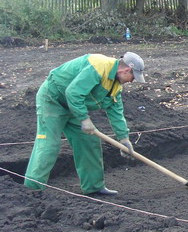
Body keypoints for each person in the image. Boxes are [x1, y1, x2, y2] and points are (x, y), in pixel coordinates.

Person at [24, 52, 146, 196]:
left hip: (74, 106)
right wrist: (84, 119)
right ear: (126, 70)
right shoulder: (98, 66)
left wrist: (124, 139)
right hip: (53, 100)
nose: (132, 81)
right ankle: (32, 190)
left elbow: (116, 113)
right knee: (49, 143)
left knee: (89, 140)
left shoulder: (116, 85)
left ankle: (93, 187)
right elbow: (73, 92)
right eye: (133, 77)